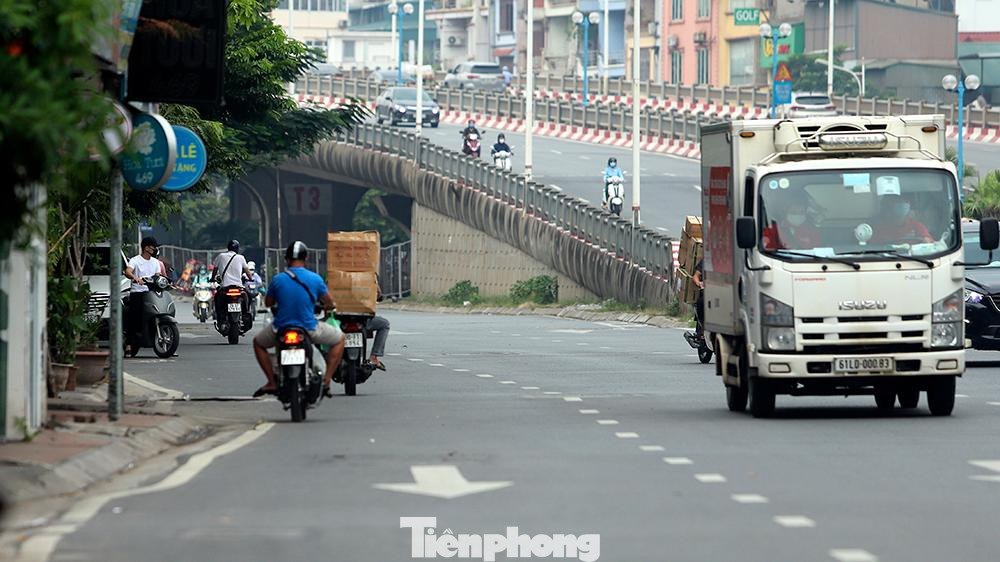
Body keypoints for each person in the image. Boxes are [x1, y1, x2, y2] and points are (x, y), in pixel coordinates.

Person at [252, 241, 345, 397]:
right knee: (340, 339)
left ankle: (271, 382)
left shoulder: (278, 279)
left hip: (280, 328)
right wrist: (330, 306)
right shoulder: (315, 279)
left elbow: (268, 303)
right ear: (306, 258)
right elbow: (328, 302)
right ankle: (327, 380)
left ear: (287, 259)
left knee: (258, 343)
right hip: (309, 328)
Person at [123, 237, 163, 351]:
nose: (155, 249)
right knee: (134, 318)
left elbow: (158, 275)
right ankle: (129, 343)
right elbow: (128, 272)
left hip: (152, 293)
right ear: (146, 248)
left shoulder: (155, 262)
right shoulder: (135, 260)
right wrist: (135, 278)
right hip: (138, 293)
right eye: (153, 247)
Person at [212, 239, 252, 324]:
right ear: (237, 249)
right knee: (249, 296)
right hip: (238, 286)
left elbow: (215, 270)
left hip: (225, 287)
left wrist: (212, 278)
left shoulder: (221, 256)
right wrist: (251, 278)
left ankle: (220, 317)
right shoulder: (241, 258)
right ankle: (245, 314)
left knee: (216, 298)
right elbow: (247, 271)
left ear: (228, 248)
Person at [692, 258, 705, 335]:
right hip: (707, 291)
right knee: (701, 302)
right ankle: (702, 327)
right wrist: (699, 283)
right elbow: (695, 276)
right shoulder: (706, 260)